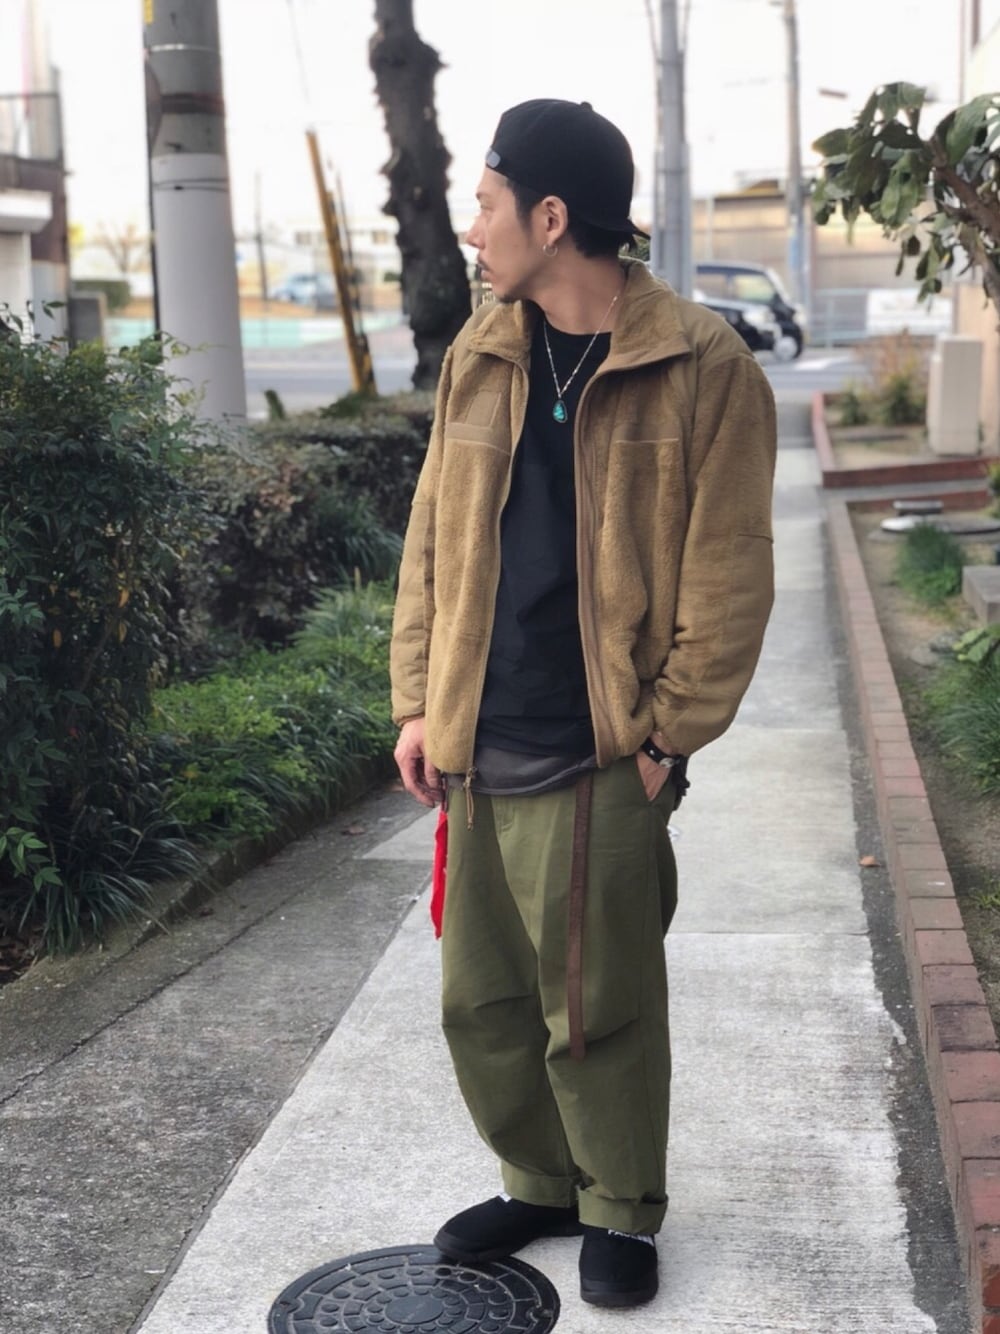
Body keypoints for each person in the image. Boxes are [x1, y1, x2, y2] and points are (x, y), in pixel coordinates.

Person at [390, 98, 776, 1309]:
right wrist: (417, 703)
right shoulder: (483, 347)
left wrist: (665, 738)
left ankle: (618, 1205)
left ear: (551, 216)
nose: (473, 227)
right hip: (476, 737)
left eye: (487, 203)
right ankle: (541, 1181)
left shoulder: (702, 365)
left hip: (601, 751)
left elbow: (729, 578)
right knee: (482, 1000)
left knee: (598, 1006)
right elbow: (431, 542)